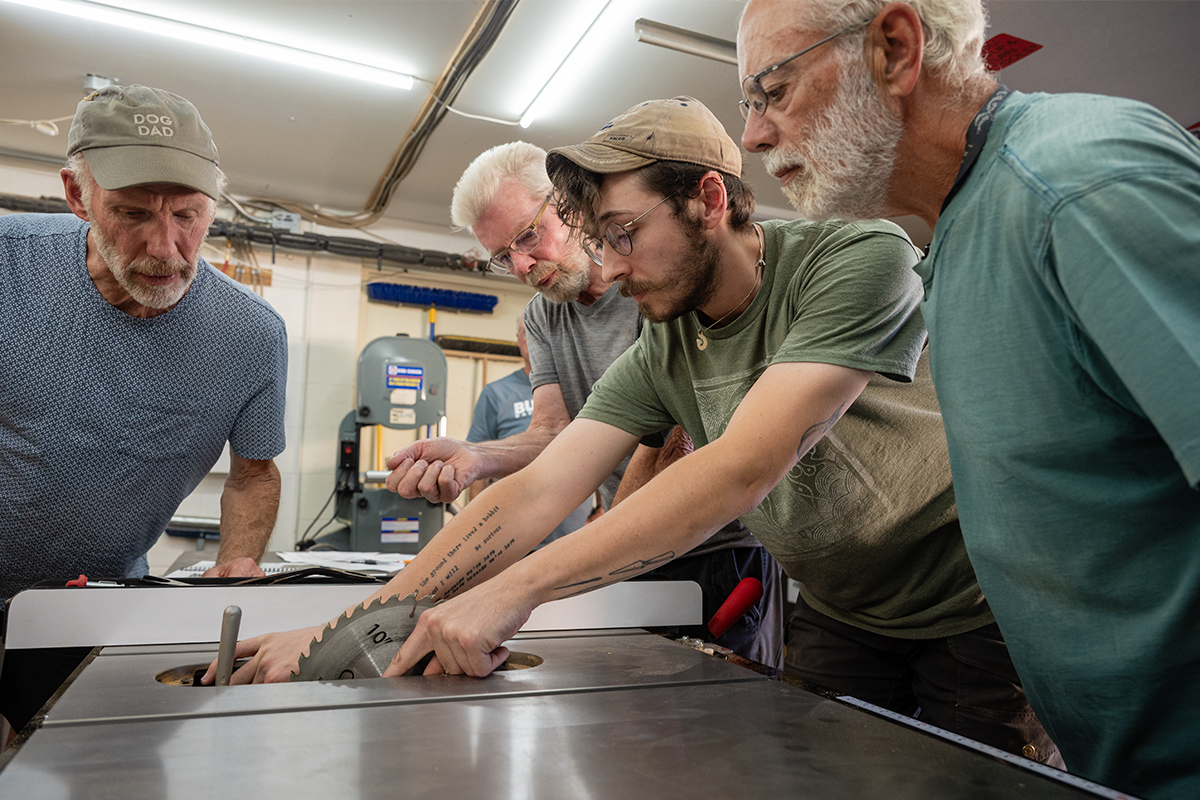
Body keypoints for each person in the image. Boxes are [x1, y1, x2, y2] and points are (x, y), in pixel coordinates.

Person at [227, 97, 1058, 765]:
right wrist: (350, 625)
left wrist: (510, 592)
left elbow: (743, 466)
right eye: (599, 243)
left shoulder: (855, 259)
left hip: (973, 602)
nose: (613, 270)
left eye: (624, 235)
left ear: (708, 198)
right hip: (843, 604)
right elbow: (536, 489)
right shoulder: (665, 342)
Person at [736, 2, 1200, 797]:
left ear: (895, 47)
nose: (754, 135)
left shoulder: (1077, 181)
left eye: (772, 91)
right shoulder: (952, 236)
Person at [213, 140, 784, 680]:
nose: (521, 265)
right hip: (613, 552)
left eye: (528, 237)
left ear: (571, 206)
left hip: (710, 556)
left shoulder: (661, 288)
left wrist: (542, 576)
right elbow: (553, 438)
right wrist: (478, 457)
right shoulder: (544, 317)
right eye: (502, 256)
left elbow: (666, 447)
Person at [0, 84, 287, 732]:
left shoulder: (250, 336)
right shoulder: (7, 266)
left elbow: (252, 474)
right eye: (132, 214)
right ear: (79, 196)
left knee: (88, 765)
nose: (165, 247)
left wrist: (235, 562)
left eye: (187, 216)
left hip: (94, 603)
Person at [465, 314, 590, 545]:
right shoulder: (496, 393)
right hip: (509, 533)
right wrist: (477, 528)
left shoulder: (581, 388)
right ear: (518, 339)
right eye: (528, 333)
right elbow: (477, 467)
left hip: (573, 532)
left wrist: (602, 512)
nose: (534, 340)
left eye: (541, 332)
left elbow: (603, 450)